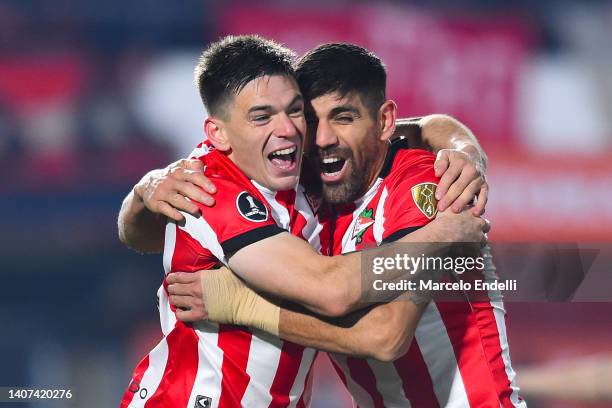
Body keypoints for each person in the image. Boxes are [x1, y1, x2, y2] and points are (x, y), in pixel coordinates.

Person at [118, 37, 491, 407]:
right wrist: (142, 192)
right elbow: (333, 290)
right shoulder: (211, 189)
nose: (289, 130)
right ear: (218, 133)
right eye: (261, 117)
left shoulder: (312, 173)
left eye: (295, 112)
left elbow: (419, 127)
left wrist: (466, 150)